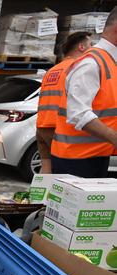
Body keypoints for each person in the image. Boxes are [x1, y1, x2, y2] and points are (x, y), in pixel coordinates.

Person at [51, 7, 117, 178]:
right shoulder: (92, 63)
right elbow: (78, 113)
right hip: (75, 162)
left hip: (94, 157)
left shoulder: (109, 62)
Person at [36, 32, 92, 174]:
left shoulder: (53, 70)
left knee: (46, 172)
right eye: (90, 45)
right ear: (81, 47)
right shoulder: (77, 68)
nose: (92, 49)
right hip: (59, 131)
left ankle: (39, 196)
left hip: (42, 128)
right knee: (64, 179)